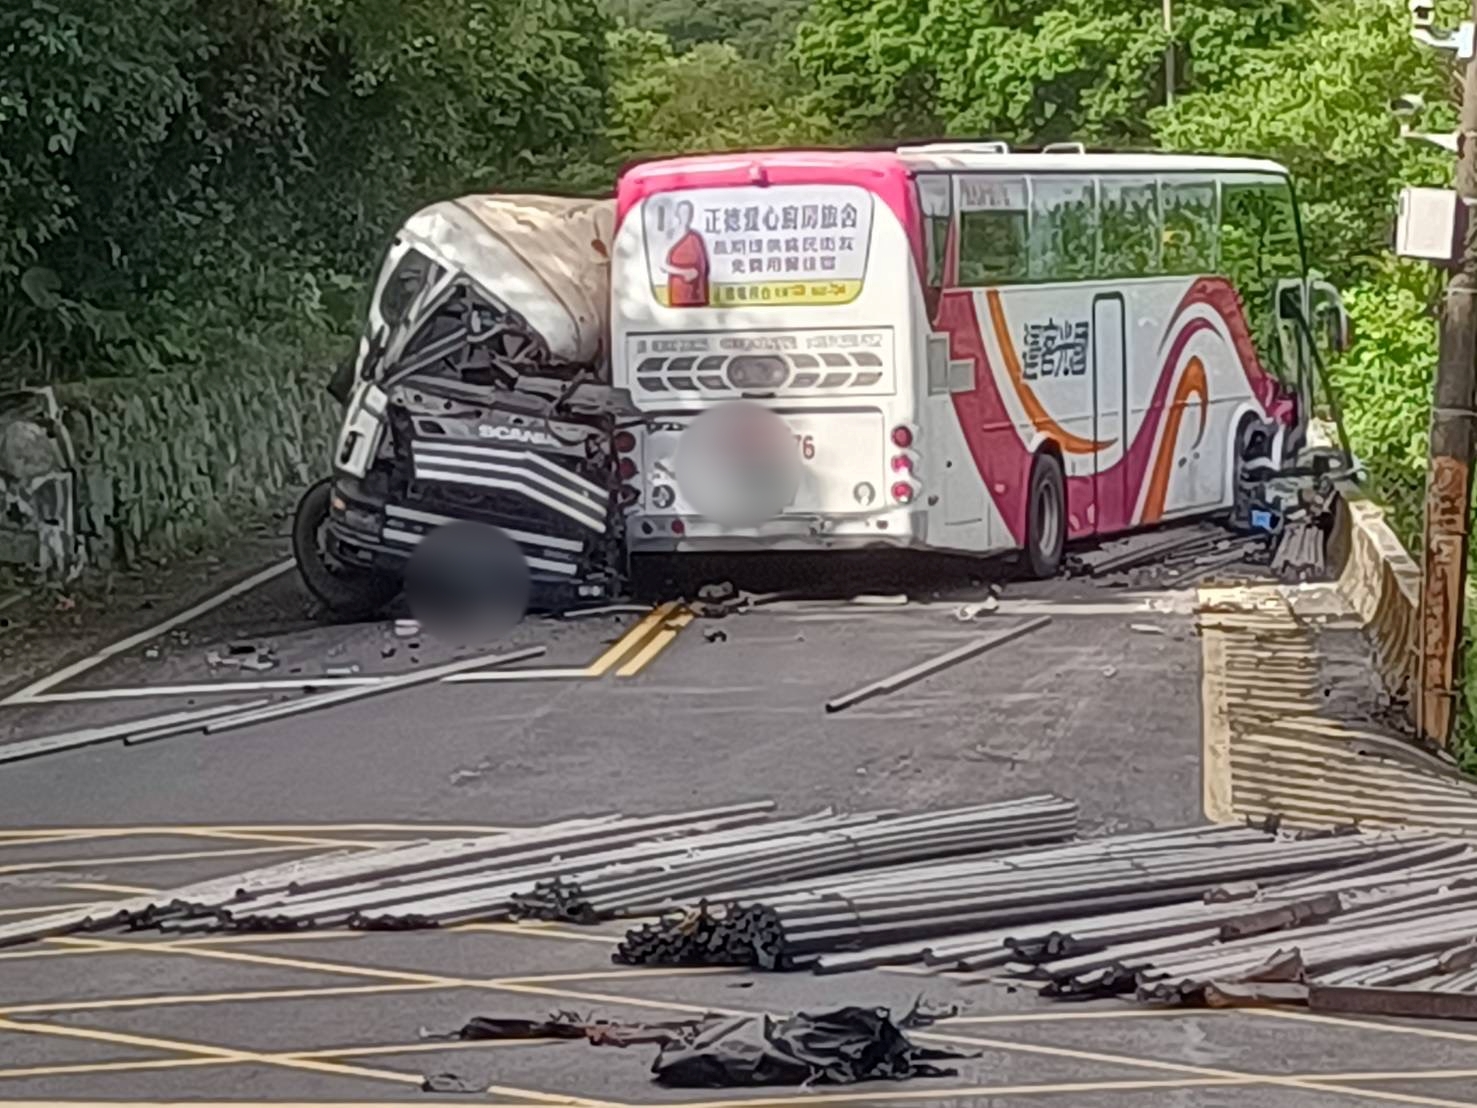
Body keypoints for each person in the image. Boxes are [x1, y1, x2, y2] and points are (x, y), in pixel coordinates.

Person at [661, 200, 709, 307]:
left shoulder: (695, 237)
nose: (686, 216)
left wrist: (697, 274)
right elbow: (662, 265)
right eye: (683, 212)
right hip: (678, 291)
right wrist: (684, 272)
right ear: (678, 214)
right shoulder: (671, 235)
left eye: (688, 213)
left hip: (696, 292)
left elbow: (703, 265)